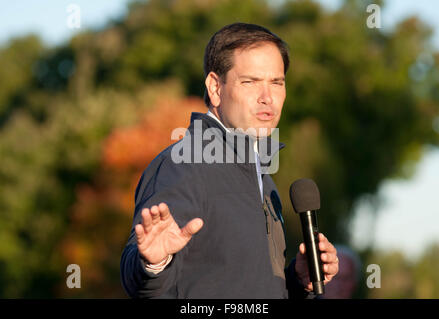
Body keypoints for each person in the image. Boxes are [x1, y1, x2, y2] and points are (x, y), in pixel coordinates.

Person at [120, 22, 339, 299]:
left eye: (276, 82)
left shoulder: (262, 177)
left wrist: (298, 280)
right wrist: (153, 264)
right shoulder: (183, 165)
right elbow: (138, 280)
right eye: (250, 82)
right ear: (215, 87)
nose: (267, 98)